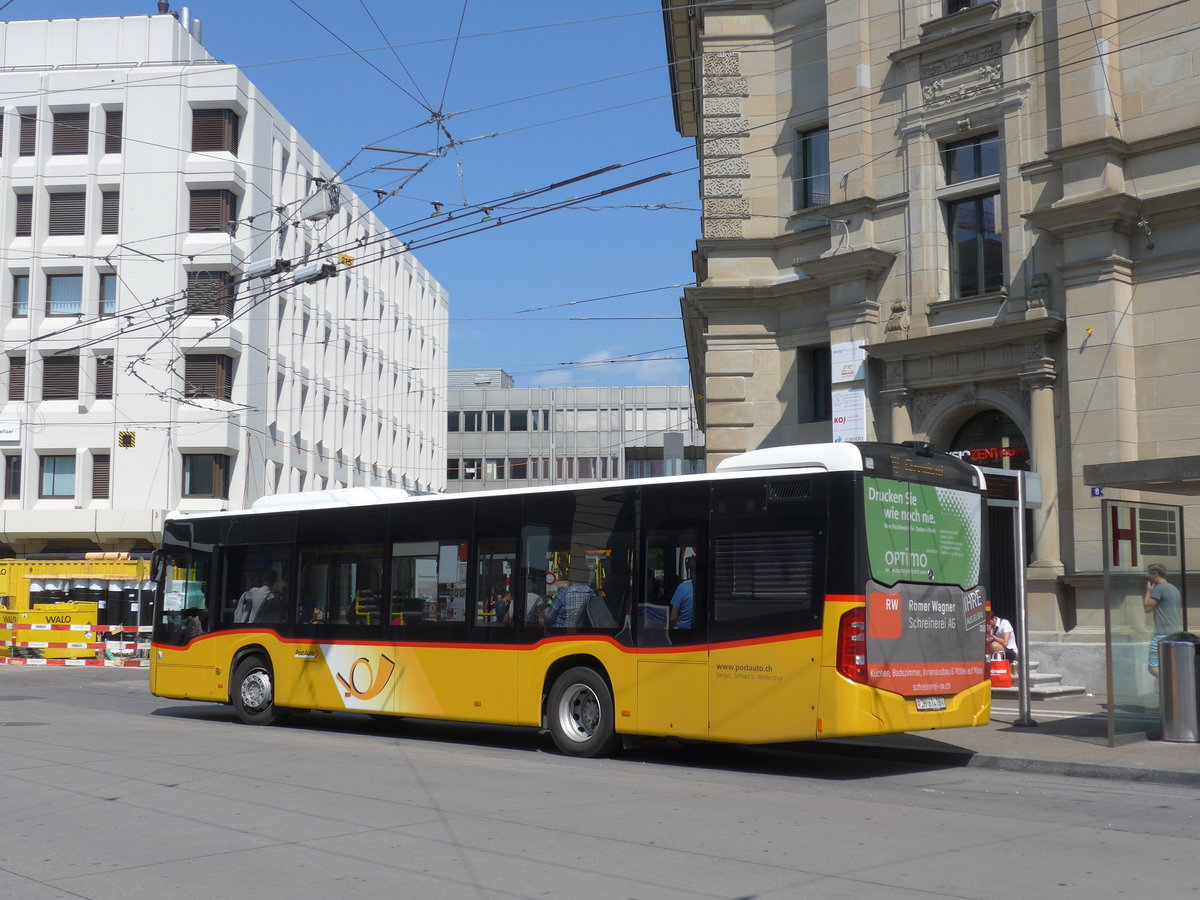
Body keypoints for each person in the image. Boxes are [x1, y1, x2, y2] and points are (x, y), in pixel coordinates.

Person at [1144, 563, 1182, 677]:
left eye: (1150, 575)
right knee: (1170, 666)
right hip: (1175, 633)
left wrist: (1148, 591)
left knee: (1153, 667)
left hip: (1162, 634)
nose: (1149, 578)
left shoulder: (1159, 588)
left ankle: (1170, 688)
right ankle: (1173, 689)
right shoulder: (1174, 588)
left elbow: (1147, 608)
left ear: (1155, 574)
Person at [669, 556, 695, 629]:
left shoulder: (682, 588)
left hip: (680, 634)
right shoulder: (706, 588)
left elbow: (673, 618)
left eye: (690, 570)